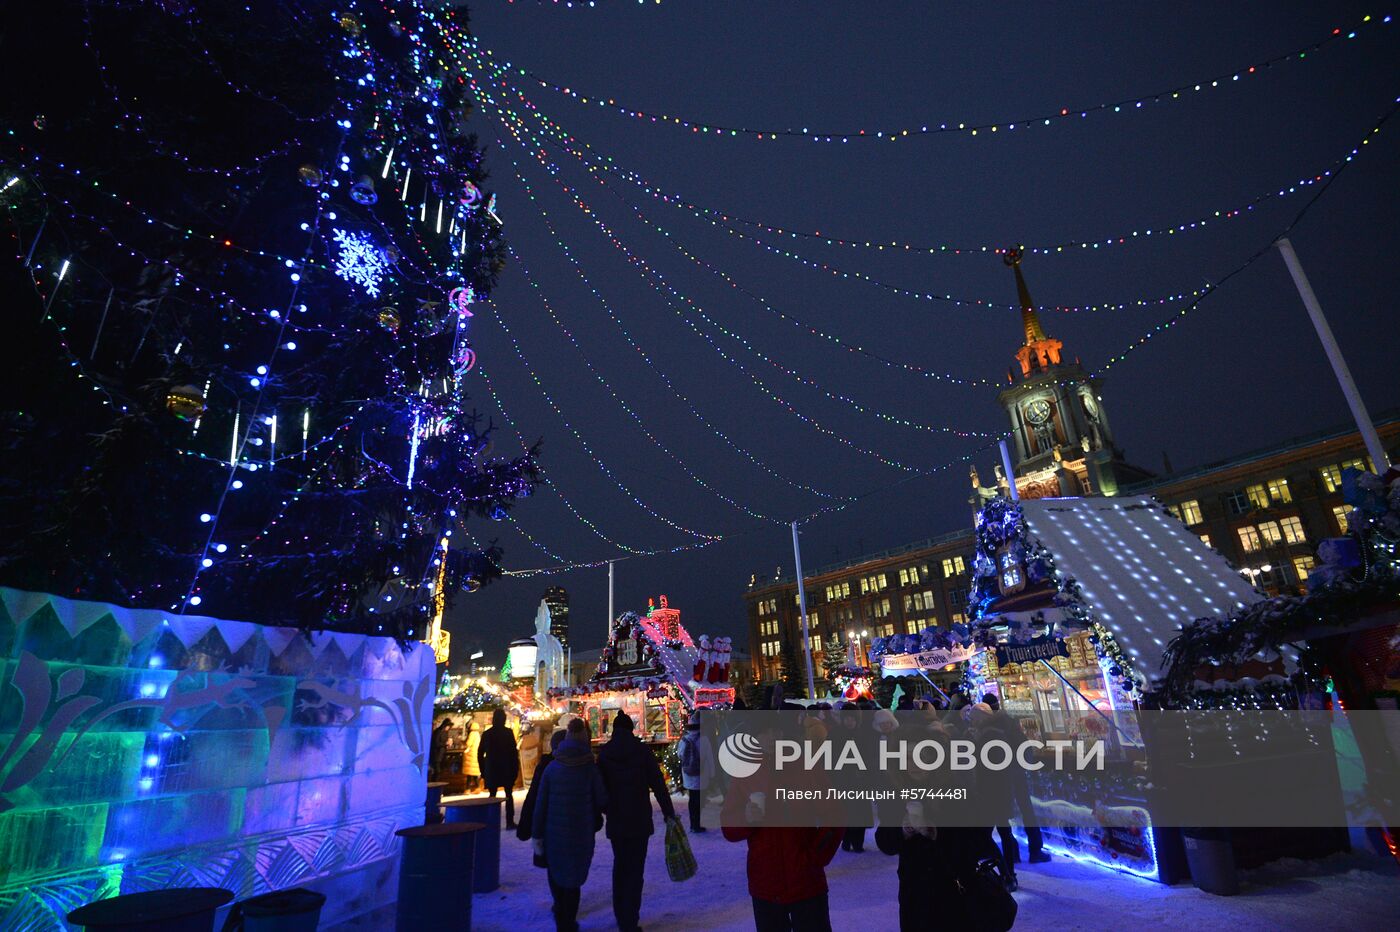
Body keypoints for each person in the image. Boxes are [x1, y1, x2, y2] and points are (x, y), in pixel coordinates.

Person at [723, 749, 843, 932]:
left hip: (807, 883)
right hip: (765, 885)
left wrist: (815, 858)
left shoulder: (806, 766)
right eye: (764, 731)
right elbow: (729, 828)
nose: (771, 736)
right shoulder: (745, 771)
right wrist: (745, 818)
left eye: (776, 729)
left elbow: (834, 815)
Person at [597, 710, 678, 932]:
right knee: (635, 870)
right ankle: (630, 920)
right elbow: (657, 782)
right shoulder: (641, 751)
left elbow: (599, 787)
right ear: (631, 730)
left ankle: (620, 914)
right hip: (639, 819)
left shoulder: (605, 754)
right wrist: (668, 811)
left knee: (620, 865)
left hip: (616, 819)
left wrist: (604, 809)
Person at [532, 718, 607, 932]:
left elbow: (540, 805)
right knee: (573, 880)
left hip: (554, 835)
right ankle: (569, 922)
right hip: (581, 834)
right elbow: (602, 799)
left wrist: (537, 836)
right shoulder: (589, 768)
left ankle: (561, 917)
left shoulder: (552, 769)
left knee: (556, 874)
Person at [982, 693, 1050, 864]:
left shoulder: (985, 727)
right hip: (1015, 773)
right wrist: (1024, 764)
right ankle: (1035, 849)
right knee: (1026, 809)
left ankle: (1013, 852)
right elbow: (1023, 745)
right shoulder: (1008, 722)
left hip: (997, 776)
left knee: (1002, 815)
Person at [969, 702, 1018, 890]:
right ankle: (1009, 874)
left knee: (986, 835)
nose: (971, 722)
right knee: (1003, 833)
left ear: (981, 718)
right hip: (1000, 791)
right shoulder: (996, 732)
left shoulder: (990, 736)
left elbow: (989, 768)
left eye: (973, 718)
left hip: (992, 793)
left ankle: (1006, 874)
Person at [518, 728, 567, 861]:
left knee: (554, 868)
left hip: (550, 828)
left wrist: (525, 827)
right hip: (574, 832)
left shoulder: (546, 766)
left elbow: (533, 798)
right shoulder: (581, 765)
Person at [479, 708, 521, 829]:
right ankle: (509, 821)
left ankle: (491, 822)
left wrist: (483, 769)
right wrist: (515, 768)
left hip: (492, 768)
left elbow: (480, 752)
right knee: (508, 795)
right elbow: (513, 752)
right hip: (506, 767)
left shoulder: (487, 734)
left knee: (492, 796)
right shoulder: (508, 733)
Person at [679, 714, 714, 832]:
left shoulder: (683, 740)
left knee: (692, 799)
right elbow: (709, 758)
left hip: (688, 775)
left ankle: (693, 823)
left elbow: (680, 755)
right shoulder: (704, 739)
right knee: (699, 799)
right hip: (701, 775)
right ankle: (698, 823)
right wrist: (712, 774)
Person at [463, 720, 482, 792]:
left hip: (470, 755)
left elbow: (469, 743)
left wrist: (465, 743)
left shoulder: (472, 734)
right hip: (475, 754)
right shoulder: (477, 734)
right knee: (474, 773)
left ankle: (467, 789)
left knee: (469, 774)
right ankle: (477, 788)